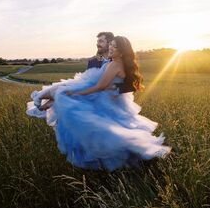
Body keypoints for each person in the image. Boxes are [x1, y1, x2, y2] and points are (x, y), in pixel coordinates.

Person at [26, 36, 171, 171]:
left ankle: (40, 103)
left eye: (114, 47)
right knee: (63, 93)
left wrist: (77, 93)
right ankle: (41, 104)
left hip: (101, 95)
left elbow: (100, 86)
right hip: (105, 96)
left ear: (121, 52)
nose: (110, 48)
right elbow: (109, 77)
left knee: (64, 95)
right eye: (110, 45)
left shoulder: (114, 65)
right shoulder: (115, 63)